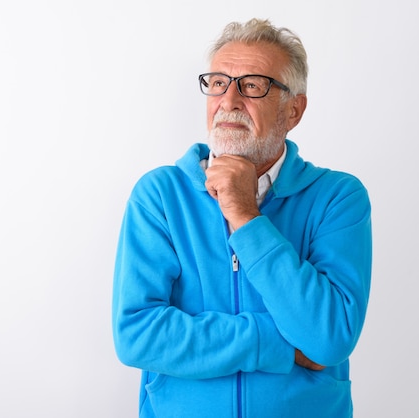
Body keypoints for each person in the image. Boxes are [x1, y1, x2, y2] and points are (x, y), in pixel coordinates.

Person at [112, 18, 372, 418]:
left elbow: (330, 337)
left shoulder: (338, 198)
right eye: (218, 82)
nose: (229, 100)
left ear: (294, 110)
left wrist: (246, 215)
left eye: (252, 85)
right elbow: (137, 335)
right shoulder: (160, 195)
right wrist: (277, 342)